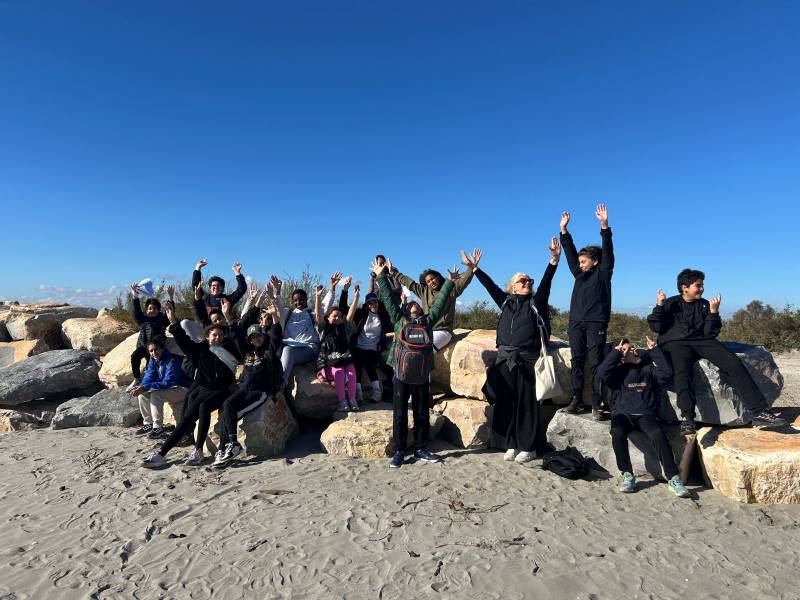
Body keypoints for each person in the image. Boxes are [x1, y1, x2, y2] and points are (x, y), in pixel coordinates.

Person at [647, 269, 786, 432]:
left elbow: (710, 333)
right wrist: (660, 306)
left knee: (734, 364)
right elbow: (656, 327)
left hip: (703, 341)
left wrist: (713, 312)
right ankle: (687, 418)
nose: (702, 289)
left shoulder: (705, 304)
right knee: (682, 372)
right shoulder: (670, 303)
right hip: (676, 343)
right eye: (698, 286)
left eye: (702, 285)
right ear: (684, 287)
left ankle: (759, 412)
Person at [468, 240, 560, 464]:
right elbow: (490, 287)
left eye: (529, 280)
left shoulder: (536, 302)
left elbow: (546, 284)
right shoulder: (506, 302)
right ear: (513, 286)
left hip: (527, 360)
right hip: (505, 360)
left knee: (527, 405)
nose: (527, 282)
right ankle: (511, 443)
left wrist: (553, 261)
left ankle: (529, 447)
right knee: (507, 403)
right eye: (523, 280)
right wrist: (475, 269)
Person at [375, 258, 455, 469]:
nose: (414, 307)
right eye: (410, 305)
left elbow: (439, 303)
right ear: (406, 308)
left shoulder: (428, 322)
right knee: (400, 413)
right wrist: (381, 277)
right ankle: (400, 450)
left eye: (417, 306)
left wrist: (450, 282)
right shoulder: (398, 319)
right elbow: (388, 299)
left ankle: (421, 448)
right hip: (402, 374)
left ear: (421, 310)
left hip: (420, 375)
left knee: (421, 413)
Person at [142, 302, 240, 468]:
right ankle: (161, 453)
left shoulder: (229, 348)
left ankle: (198, 450)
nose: (218, 338)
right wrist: (173, 322)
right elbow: (184, 342)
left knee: (203, 407)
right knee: (186, 419)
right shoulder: (201, 349)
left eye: (220, 335)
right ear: (207, 337)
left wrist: (228, 316)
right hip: (203, 388)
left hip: (223, 390)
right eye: (214, 335)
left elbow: (238, 334)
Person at [596, 336, 691, 497]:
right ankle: (627, 474)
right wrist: (616, 353)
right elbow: (601, 372)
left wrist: (654, 350)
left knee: (658, 434)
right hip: (622, 414)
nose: (630, 350)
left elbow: (667, 373)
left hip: (645, 414)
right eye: (625, 349)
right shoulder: (617, 372)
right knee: (617, 433)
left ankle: (673, 478)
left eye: (631, 348)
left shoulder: (647, 369)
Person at [213, 299, 284, 469]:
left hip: (260, 392)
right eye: (253, 337)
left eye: (258, 336)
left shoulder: (269, 351)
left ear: (263, 336)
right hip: (244, 388)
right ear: (250, 340)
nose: (256, 339)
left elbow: (276, 337)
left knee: (230, 411)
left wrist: (275, 318)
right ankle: (226, 448)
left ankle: (228, 446)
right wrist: (227, 315)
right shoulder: (247, 352)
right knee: (226, 408)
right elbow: (236, 334)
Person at [560, 204, 614, 420]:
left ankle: (595, 402)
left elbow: (608, 251)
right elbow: (570, 255)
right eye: (580, 262)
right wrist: (564, 231)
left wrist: (604, 226)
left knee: (595, 362)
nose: (580, 265)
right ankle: (575, 399)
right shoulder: (578, 274)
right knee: (577, 361)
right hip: (576, 322)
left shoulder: (603, 273)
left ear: (596, 261)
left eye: (585, 261)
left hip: (596, 323)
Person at [396, 257, 475, 352]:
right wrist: (394, 273)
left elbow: (463, 282)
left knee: (423, 351)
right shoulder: (424, 291)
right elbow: (410, 283)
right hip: (426, 329)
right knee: (408, 348)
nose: (431, 282)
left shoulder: (450, 289)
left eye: (432, 279)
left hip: (443, 331)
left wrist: (471, 267)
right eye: (428, 281)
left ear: (437, 277)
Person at [273, 273, 336, 388]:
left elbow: (325, 305)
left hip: (308, 349)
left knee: (287, 351)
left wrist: (332, 287)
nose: (298, 302)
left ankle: (281, 384)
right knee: (276, 350)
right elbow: (279, 306)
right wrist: (277, 290)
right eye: (295, 300)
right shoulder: (288, 314)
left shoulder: (311, 313)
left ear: (306, 299)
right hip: (288, 346)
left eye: (301, 299)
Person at [338, 276, 394, 403]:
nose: (373, 305)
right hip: (358, 347)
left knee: (368, 362)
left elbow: (392, 327)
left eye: (375, 302)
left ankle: (377, 392)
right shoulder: (361, 314)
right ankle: (358, 393)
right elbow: (343, 309)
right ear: (367, 305)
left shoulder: (384, 317)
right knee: (356, 362)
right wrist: (345, 290)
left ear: (378, 303)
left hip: (374, 349)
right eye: (370, 303)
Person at [129, 335, 192, 438]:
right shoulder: (153, 360)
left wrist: (145, 387)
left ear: (162, 348)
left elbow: (168, 382)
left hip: (184, 389)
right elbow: (149, 377)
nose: (154, 353)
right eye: (151, 351)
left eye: (156, 349)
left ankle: (158, 427)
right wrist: (140, 387)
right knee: (142, 394)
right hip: (170, 389)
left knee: (156, 393)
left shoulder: (172, 359)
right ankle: (148, 424)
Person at [317, 286, 360, 412]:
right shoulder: (323, 329)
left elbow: (351, 314)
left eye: (339, 316)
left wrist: (356, 297)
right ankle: (342, 401)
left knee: (351, 371)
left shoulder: (344, 328)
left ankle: (352, 399)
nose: (337, 318)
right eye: (334, 316)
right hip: (329, 363)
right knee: (340, 371)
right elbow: (319, 314)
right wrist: (318, 297)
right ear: (328, 317)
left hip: (344, 359)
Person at [127, 283, 171, 390]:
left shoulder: (162, 320)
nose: (152, 310)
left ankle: (148, 385)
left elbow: (170, 311)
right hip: (143, 346)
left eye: (155, 308)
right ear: (147, 310)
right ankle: (137, 378)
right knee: (135, 357)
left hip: (157, 348)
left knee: (150, 368)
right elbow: (136, 310)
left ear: (158, 310)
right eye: (150, 308)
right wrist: (135, 295)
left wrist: (171, 297)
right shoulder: (143, 320)